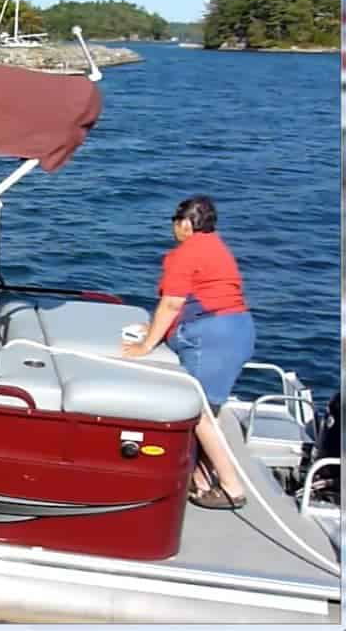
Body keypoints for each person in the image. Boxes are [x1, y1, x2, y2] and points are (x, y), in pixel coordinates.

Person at [122, 195, 255, 510]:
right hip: (238, 330)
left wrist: (146, 344)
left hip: (210, 337)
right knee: (211, 410)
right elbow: (205, 295)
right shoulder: (217, 248)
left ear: (185, 224)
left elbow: (172, 303)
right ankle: (201, 480)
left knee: (198, 414)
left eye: (174, 221)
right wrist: (155, 327)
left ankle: (231, 487)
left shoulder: (184, 254)